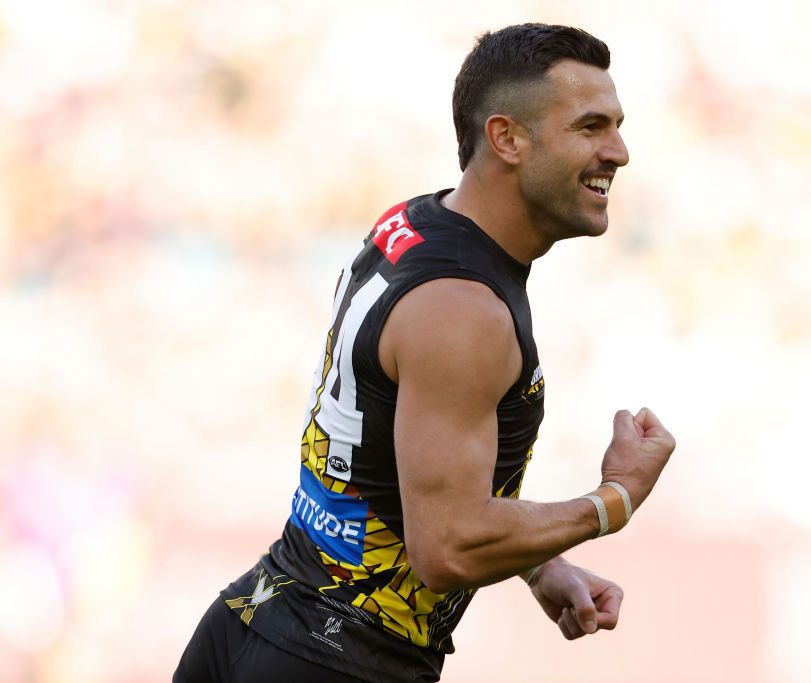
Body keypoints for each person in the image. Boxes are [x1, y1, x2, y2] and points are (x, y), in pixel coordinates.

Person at [174, 22, 675, 682]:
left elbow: (398, 462)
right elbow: (448, 546)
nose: (619, 151)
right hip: (339, 661)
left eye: (615, 125)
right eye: (590, 127)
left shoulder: (417, 223)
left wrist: (536, 562)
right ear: (507, 138)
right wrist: (613, 500)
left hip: (260, 613)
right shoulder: (464, 309)